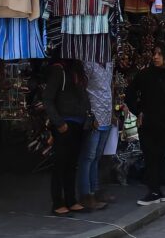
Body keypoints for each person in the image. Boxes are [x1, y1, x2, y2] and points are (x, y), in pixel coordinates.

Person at [127, 42, 165, 206]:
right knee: (150, 156)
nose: (155, 57)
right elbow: (130, 94)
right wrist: (138, 110)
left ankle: (156, 190)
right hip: (148, 124)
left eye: (159, 54)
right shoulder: (144, 75)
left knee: (160, 157)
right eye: (154, 53)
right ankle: (153, 191)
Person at [42, 59, 90, 216]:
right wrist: (59, 122)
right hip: (64, 123)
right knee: (60, 164)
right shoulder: (59, 70)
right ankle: (57, 202)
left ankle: (71, 199)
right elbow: (48, 99)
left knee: (71, 164)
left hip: (79, 123)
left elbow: (83, 95)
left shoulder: (78, 70)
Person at [77, 61, 114, 211]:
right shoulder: (88, 64)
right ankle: (86, 194)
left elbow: (109, 88)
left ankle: (95, 190)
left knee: (97, 156)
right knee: (88, 157)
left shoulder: (109, 63)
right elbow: (82, 90)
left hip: (106, 114)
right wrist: (89, 114)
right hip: (94, 118)